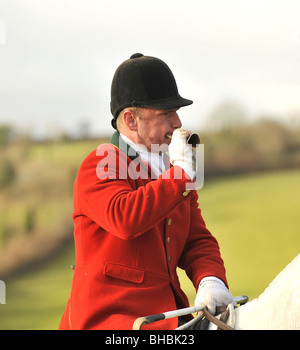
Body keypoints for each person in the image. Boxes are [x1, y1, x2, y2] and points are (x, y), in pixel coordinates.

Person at [59, 53, 235, 330]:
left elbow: (196, 239)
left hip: (167, 318)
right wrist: (180, 176)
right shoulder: (100, 163)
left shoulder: (172, 169)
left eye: (176, 112)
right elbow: (125, 219)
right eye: (166, 113)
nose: (177, 122)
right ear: (130, 120)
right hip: (111, 322)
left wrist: (210, 279)